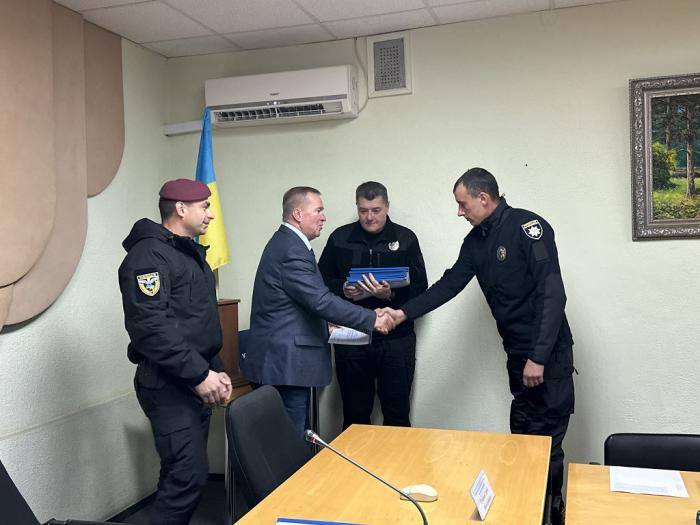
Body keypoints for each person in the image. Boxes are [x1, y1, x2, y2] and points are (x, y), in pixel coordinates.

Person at [381, 168, 574, 525]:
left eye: (463, 204)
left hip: (547, 356)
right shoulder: (476, 241)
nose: (459, 212)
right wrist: (402, 313)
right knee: (523, 440)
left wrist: (539, 357)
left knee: (547, 445)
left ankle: (551, 515)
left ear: (483, 198)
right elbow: (450, 284)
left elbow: (553, 294)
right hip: (517, 356)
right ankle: (524, 514)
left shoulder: (527, 228)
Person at [118, 178, 232, 525]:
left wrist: (215, 370)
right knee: (187, 477)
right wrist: (199, 375)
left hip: (194, 377)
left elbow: (196, 324)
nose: (211, 214)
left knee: (179, 475)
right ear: (181, 209)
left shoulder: (187, 252)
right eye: (205, 206)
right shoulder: (148, 256)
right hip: (168, 384)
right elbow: (151, 328)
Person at [240, 186, 394, 436]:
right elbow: (320, 301)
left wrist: (325, 325)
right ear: (298, 214)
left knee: (293, 439)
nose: (324, 217)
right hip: (284, 366)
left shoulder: (288, 243)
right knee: (289, 443)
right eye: (318, 210)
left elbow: (295, 304)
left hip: (285, 365)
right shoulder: (291, 249)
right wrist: (371, 318)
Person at [318, 181, 428, 428]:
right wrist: (342, 288)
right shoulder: (339, 238)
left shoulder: (406, 238)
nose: (369, 217)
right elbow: (319, 283)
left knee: (397, 414)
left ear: (387, 206)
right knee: (354, 416)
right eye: (363, 210)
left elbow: (421, 288)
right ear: (357, 207)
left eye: (376, 210)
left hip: (396, 339)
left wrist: (389, 295)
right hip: (351, 338)